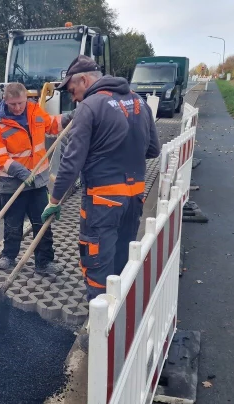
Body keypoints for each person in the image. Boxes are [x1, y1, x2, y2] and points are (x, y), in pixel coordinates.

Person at [42, 55, 160, 301]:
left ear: (84, 80)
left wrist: (54, 201)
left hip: (103, 202)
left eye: (73, 90)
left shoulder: (90, 107)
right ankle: (121, 312)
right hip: (135, 197)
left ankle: (99, 325)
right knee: (121, 258)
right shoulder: (139, 101)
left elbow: (71, 163)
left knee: (97, 262)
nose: (73, 97)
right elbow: (153, 150)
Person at [0, 82, 72, 275]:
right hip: (12, 182)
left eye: (21, 103)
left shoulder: (35, 112)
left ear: (27, 99)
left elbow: (52, 125)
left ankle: (44, 262)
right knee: (13, 223)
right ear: (5, 101)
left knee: (42, 222)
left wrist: (69, 118)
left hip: (38, 181)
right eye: (13, 104)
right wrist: (19, 171)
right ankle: (9, 256)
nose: (17, 108)